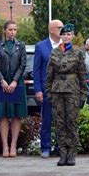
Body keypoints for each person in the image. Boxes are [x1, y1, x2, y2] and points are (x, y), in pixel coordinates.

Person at [46, 24, 88, 166]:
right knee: (59, 124)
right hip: (57, 91)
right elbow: (49, 74)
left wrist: (83, 94)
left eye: (69, 34)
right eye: (63, 34)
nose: (66, 37)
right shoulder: (54, 52)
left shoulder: (78, 53)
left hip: (72, 91)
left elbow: (82, 75)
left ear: (73, 36)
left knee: (71, 123)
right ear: (61, 36)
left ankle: (72, 154)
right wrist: (49, 92)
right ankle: (62, 153)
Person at [0, 20, 27, 158]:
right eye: (10, 30)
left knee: (16, 115)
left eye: (15, 30)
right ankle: (5, 146)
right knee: (3, 115)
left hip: (16, 83)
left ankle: (13, 145)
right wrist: (2, 80)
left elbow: (23, 64)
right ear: (5, 31)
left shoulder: (21, 45)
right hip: (1, 83)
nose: (13, 32)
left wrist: (14, 81)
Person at [33, 19, 63, 158]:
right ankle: (46, 147)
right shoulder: (41, 46)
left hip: (64, 89)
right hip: (47, 89)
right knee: (47, 120)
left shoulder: (66, 45)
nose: (62, 30)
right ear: (51, 29)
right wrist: (38, 90)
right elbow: (37, 70)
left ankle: (60, 146)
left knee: (62, 119)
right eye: (59, 27)